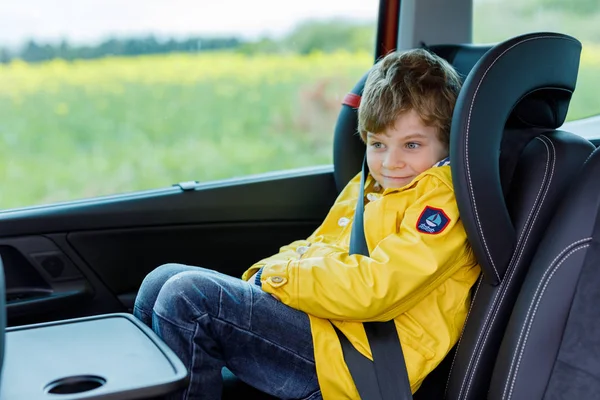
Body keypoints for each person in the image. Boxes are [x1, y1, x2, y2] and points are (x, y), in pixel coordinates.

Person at [133, 48, 481, 400]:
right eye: (377, 144)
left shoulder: (442, 202)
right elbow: (314, 247)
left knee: (189, 297)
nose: (391, 163)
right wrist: (266, 280)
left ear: (446, 143)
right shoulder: (369, 187)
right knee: (159, 281)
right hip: (326, 328)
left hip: (360, 363)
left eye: (411, 145)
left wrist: (277, 279)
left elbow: (376, 288)